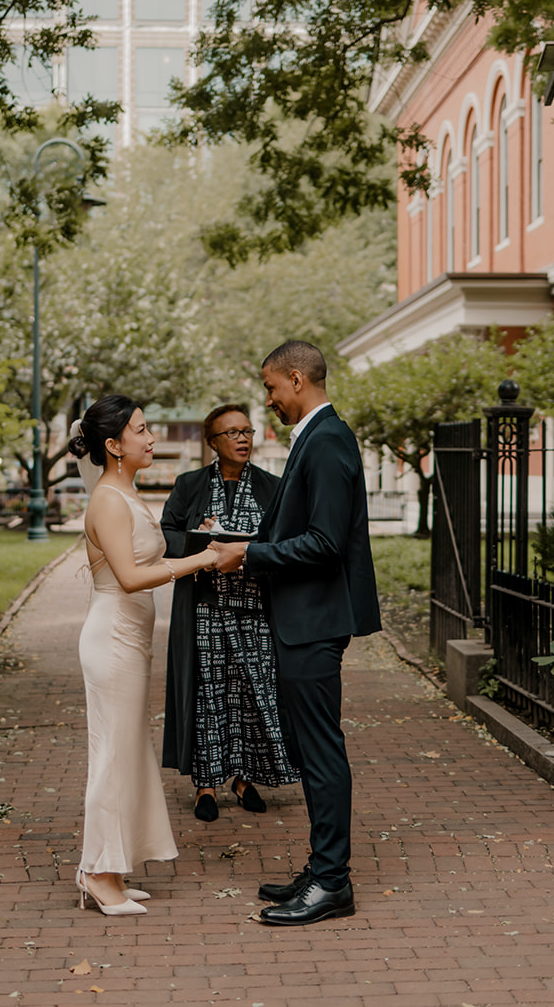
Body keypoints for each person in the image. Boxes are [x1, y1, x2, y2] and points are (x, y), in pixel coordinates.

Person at [211, 341, 381, 927]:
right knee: (310, 750)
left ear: (296, 378)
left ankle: (333, 883)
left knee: (320, 751)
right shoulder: (315, 436)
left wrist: (248, 555)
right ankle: (322, 865)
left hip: (314, 623)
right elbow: (302, 526)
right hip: (302, 621)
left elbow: (327, 542)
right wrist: (241, 539)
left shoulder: (329, 439)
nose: (269, 400)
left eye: (271, 387)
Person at [68, 395, 220, 916]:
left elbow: (149, 555)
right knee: (112, 756)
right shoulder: (108, 500)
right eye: (140, 430)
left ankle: (113, 867)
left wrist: (198, 541)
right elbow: (131, 580)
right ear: (113, 446)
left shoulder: (125, 493)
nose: (151, 437)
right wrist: (200, 560)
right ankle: (95, 872)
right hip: (112, 638)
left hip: (131, 640)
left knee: (128, 752)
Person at [160, 404, 296, 822]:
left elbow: (287, 542)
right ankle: (206, 784)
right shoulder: (189, 485)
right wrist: (201, 543)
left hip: (256, 612)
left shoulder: (274, 487)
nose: (242, 438)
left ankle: (242, 778)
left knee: (252, 696)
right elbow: (164, 534)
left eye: (247, 431)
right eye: (231, 433)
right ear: (213, 443)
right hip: (206, 610)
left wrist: (254, 551)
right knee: (208, 697)